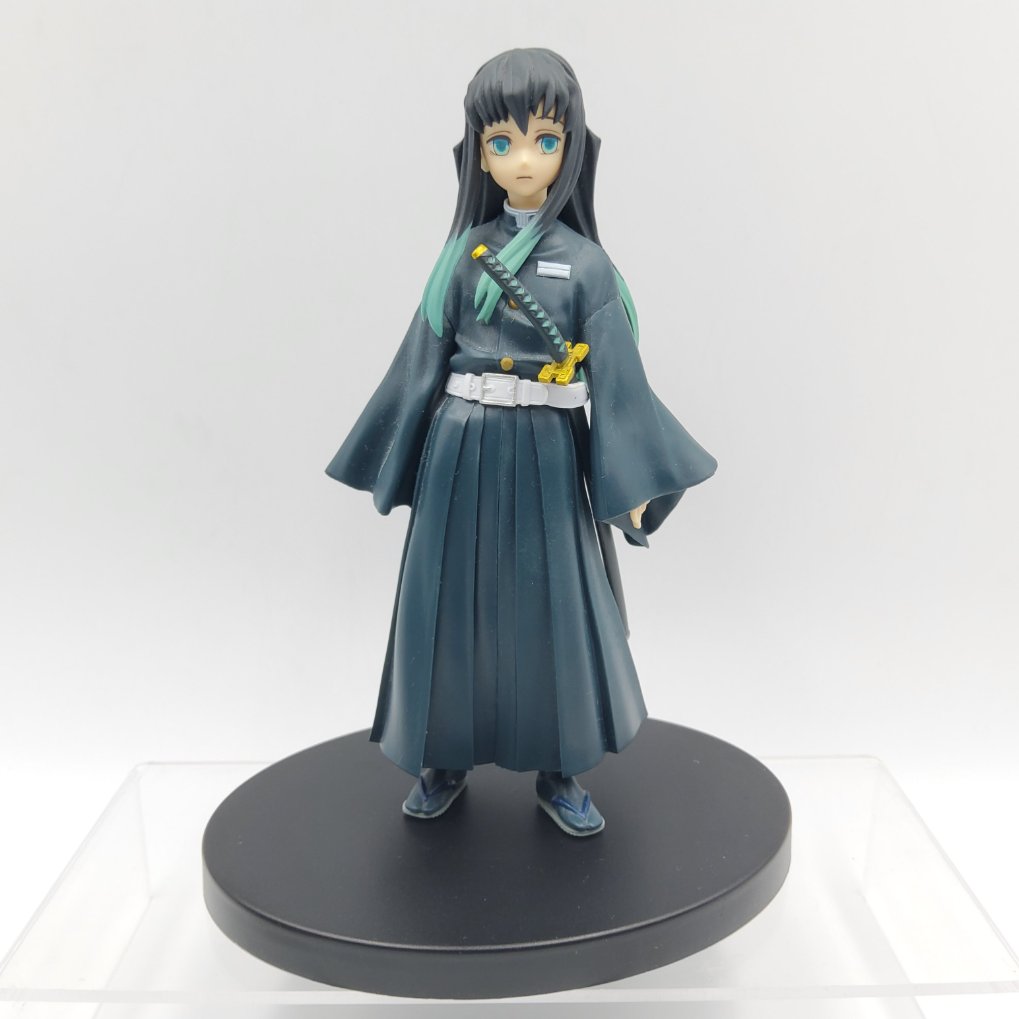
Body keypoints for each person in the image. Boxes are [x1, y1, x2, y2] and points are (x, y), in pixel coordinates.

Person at [326, 48, 716, 836]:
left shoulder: (588, 267)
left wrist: (631, 483)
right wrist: (392, 454)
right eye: (501, 142)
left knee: (555, 608)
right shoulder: (460, 257)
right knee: (445, 602)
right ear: (478, 153)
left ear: (571, 146)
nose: (524, 160)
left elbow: (620, 384)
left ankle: (559, 764)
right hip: (459, 447)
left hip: (546, 447)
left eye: (544, 139)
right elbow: (419, 362)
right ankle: (441, 752)